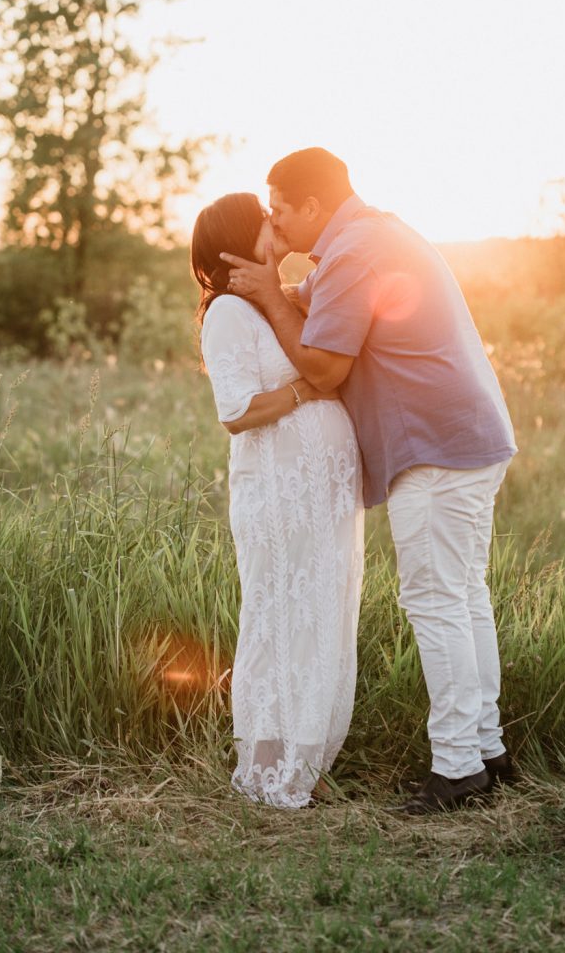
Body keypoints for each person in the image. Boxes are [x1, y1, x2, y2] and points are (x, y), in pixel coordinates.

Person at [220, 149, 518, 814]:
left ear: (311, 207)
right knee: (462, 596)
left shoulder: (354, 250)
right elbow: (312, 307)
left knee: (437, 601)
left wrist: (268, 293)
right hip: (463, 439)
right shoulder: (369, 238)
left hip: (436, 449)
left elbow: (324, 368)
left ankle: (456, 770)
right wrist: (275, 295)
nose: (274, 224)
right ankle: (486, 748)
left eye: (278, 210)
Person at [191, 192, 364, 809]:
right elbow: (236, 412)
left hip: (320, 493)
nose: (275, 221)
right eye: (264, 217)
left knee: (320, 618)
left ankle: (305, 760)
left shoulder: (273, 301)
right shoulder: (228, 313)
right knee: (280, 618)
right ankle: (268, 768)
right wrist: (306, 394)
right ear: (240, 236)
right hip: (279, 492)